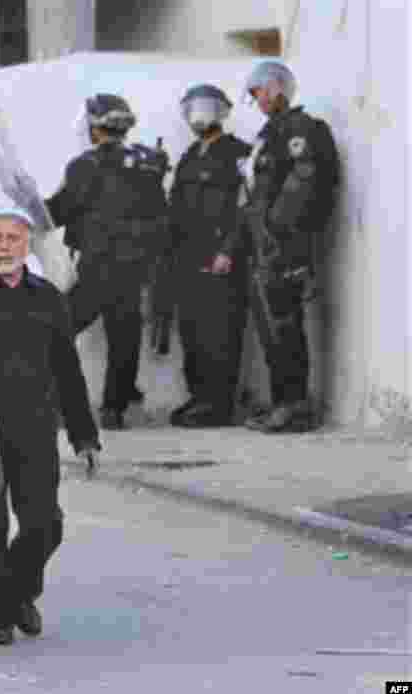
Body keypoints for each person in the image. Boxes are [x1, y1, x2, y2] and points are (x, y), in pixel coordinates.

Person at [0, 207, 101, 646]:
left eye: (13, 238)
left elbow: (68, 370)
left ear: (27, 245)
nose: (4, 246)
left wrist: (84, 436)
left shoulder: (49, 298)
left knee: (44, 523)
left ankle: (18, 591)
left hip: (34, 429)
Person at [45, 93, 171, 430]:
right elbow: (160, 215)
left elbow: (58, 211)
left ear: (95, 128)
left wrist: (30, 207)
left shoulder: (85, 166)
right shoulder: (149, 163)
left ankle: (54, 404)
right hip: (134, 268)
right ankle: (114, 411)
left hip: (97, 266)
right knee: (124, 337)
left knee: (58, 330)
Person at [239, 61, 340, 433]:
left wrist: (275, 229)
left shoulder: (302, 130)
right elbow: (255, 190)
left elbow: (304, 182)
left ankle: (295, 405)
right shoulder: (268, 135)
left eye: (259, 91)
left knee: (286, 324)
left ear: (278, 87)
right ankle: (282, 400)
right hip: (265, 244)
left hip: (287, 243)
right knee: (271, 327)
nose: (257, 99)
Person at [166, 84, 253, 427]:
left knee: (221, 331)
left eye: (207, 107)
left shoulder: (239, 153)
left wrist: (229, 249)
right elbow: (176, 206)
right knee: (192, 330)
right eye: (193, 108)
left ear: (222, 111)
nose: (199, 115)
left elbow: (245, 208)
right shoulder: (188, 156)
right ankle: (200, 396)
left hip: (221, 257)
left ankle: (219, 404)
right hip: (188, 256)